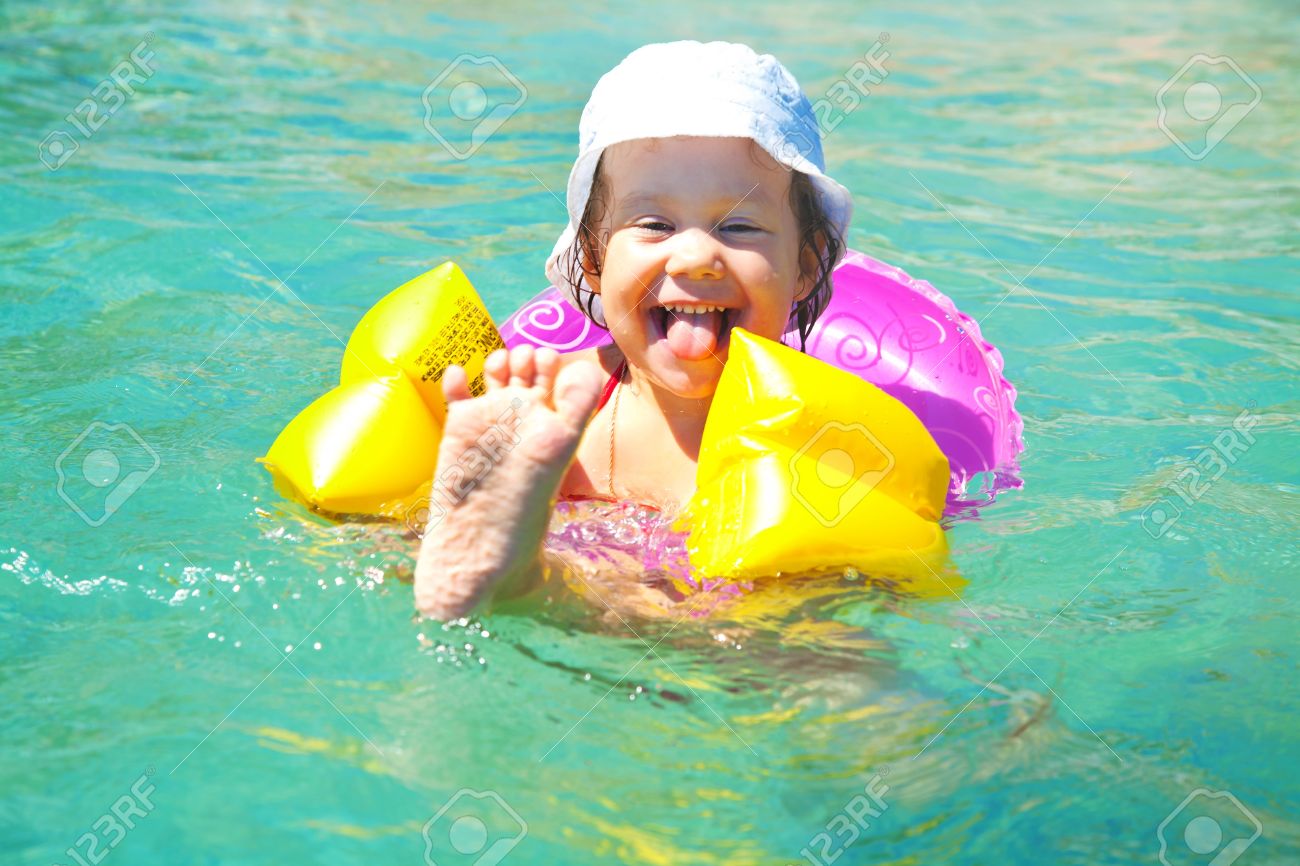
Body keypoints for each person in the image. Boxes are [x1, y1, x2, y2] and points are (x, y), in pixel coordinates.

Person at [415, 40, 852, 620]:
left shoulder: (829, 435)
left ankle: (516, 577)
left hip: (737, 649)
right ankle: (495, 556)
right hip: (587, 619)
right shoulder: (554, 408)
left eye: (740, 225)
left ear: (804, 264)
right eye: (654, 224)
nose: (695, 255)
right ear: (593, 258)